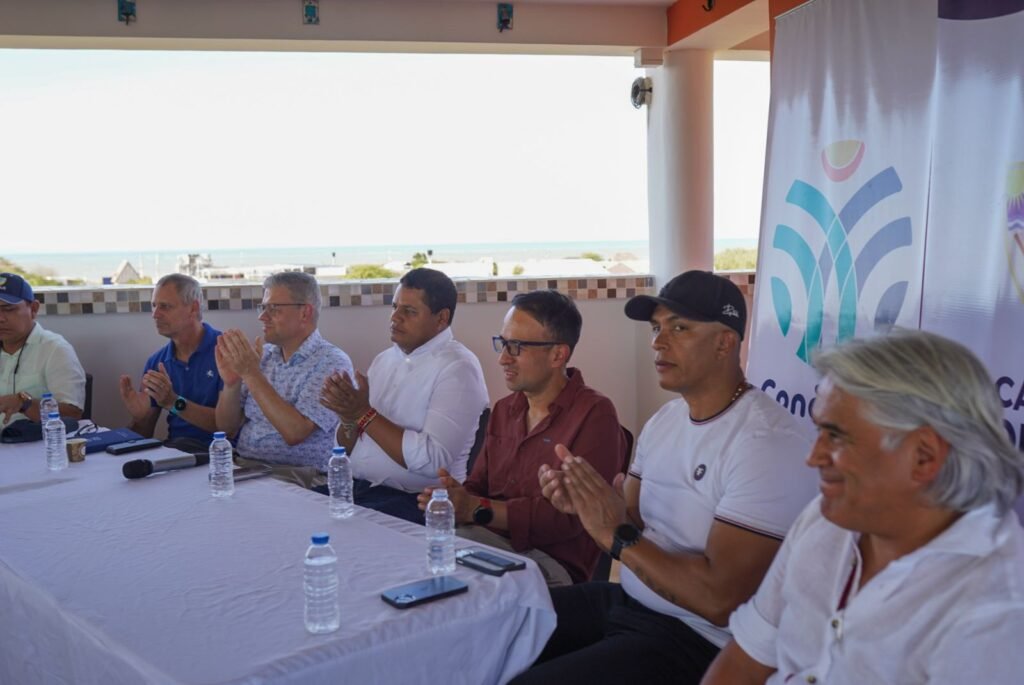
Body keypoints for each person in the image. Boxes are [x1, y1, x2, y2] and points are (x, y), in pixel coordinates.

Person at [511, 270, 816, 685]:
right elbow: (632, 519)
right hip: (630, 602)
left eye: (679, 328)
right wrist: (584, 503)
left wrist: (615, 534)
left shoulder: (766, 443)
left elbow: (718, 600)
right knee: (496, 624)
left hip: (697, 639)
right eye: (657, 328)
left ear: (725, 342)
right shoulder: (665, 421)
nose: (657, 341)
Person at [701, 330, 1024, 685]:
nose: (813, 457)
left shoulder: (997, 610)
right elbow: (745, 660)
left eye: (836, 436)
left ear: (924, 456)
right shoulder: (827, 519)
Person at [416, 290, 626, 585]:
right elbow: (479, 486)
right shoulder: (505, 409)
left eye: (515, 347)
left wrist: (477, 509)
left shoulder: (594, 414)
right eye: (502, 344)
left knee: (445, 575)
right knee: (421, 555)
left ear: (557, 355)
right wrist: (453, 498)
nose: (503, 359)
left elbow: (567, 518)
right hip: (486, 542)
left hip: (552, 565)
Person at [320, 268, 488, 524]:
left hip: (416, 502)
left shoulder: (459, 368)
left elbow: (433, 461)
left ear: (441, 318)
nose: (395, 318)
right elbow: (347, 448)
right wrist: (347, 418)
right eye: (394, 307)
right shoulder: (384, 360)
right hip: (359, 489)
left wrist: (363, 414)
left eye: (409, 311)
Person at [215, 271, 353, 487]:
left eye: (274, 309)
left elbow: (295, 432)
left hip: (297, 476)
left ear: (305, 313)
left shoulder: (331, 362)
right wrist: (231, 383)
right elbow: (226, 428)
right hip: (244, 467)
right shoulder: (265, 356)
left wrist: (251, 374)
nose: (262, 317)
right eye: (263, 308)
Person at [118, 274, 222, 451]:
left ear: (193, 308)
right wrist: (139, 418)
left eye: (165, 306)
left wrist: (174, 402)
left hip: (222, 455)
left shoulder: (226, 351)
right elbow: (145, 434)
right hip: (176, 453)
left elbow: (227, 425)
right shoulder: (157, 362)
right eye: (154, 306)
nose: (155, 314)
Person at [0, 272, 86, 426]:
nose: (1, 318)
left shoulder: (55, 350)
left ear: (33, 309)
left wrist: (24, 404)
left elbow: (73, 414)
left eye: (8, 309)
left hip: (35, 446)